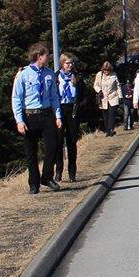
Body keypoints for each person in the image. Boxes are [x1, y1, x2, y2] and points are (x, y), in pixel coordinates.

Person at [11, 44, 62, 194]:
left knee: (53, 146)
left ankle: (47, 177)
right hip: (29, 115)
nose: (48, 57)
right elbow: (17, 98)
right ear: (39, 56)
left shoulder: (49, 74)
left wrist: (57, 116)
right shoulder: (23, 75)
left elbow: (54, 97)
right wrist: (19, 120)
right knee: (31, 152)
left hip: (46, 114)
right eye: (46, 55)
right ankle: (34, 183)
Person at [55, 53, 85, 182]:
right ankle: (58, 171)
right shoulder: (55, 77)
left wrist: (79, 107)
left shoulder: (77, 77)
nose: (70, 65)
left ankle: (72, 172)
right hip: (60, 110)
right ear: (62, 64)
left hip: (72, 110)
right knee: (58, 142)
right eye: (67, 63)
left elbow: (83, 95)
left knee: (72, 142)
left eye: (71, 63)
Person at [94, 61, 120, 137]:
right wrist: (99, 90)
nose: (106, 71)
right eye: (105, 70)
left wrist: (120, 96)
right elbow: (95, 85)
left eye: (108, 70)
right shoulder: (99, 75)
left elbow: (118, 86)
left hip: (113, 97)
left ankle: (111, 129)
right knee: (105, 114)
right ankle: (107, 130)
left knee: (112, 114)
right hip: (103, 98)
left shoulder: (114, 75)